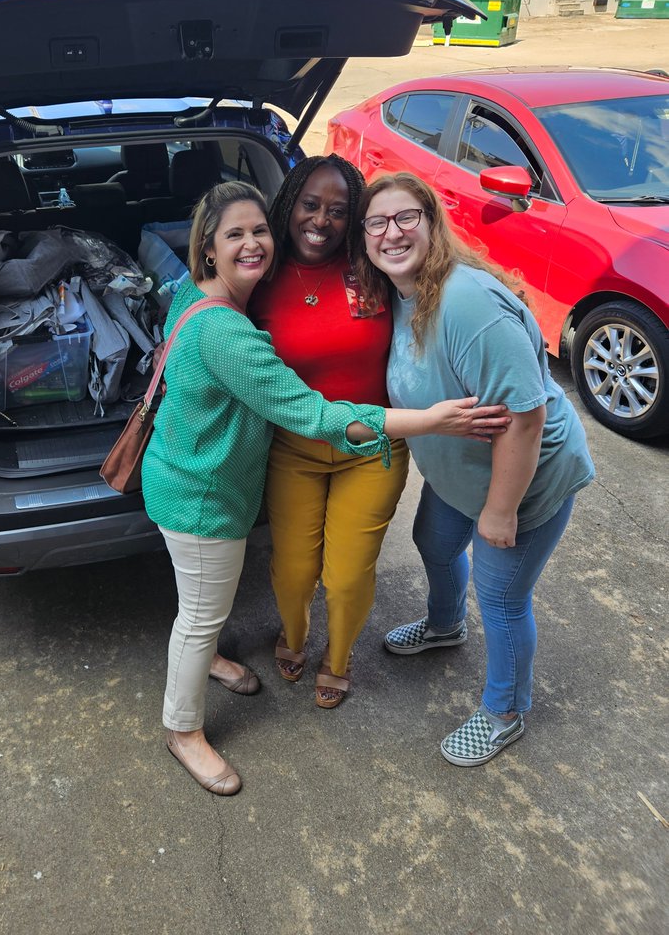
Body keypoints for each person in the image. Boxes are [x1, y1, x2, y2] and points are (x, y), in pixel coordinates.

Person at [141, 181, 510, 796]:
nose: (254, 243)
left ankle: (211, 661)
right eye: (235, 234)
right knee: (202, 616)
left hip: (181, 476)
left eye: (259, 230)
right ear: (207, 248)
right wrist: (431, 419)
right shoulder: (228, 334)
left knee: (204, 609)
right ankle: (183, 731)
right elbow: (315, 416)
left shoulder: (193, 294)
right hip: (201, 498)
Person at [355, 172, 595, 767]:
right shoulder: (401, 294)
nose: (393, 232)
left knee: (503, 598)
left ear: (433, 223)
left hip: (525, 481)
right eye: (377, 222)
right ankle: (444, 625)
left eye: (407, 217)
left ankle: (505, 711)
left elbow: (527, 417)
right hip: (462, 475)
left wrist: (500, 510)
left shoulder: (465, 304)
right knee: (433, 542)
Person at [249, 155, 410, 708]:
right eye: (310, 205)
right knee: (294, 572)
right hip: (294, 450)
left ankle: (337, 659)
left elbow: (436, 285)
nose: (321, 220)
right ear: (289, 204)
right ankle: (292, 635)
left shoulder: (373, 268)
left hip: (374, 451)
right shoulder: (259, 276)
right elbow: (206, 312)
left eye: (338, 211)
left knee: (344, 577)